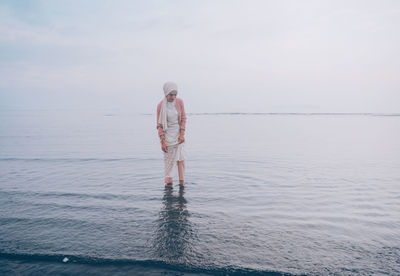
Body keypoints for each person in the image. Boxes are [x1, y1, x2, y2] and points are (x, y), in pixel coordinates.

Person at [156, 81, 187, 188]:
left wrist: (182, 134)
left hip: (179, 137)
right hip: (168, 138)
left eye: (175, 94)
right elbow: (159, 126)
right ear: (166, 93)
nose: (173, 97)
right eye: (171, 95)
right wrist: (162, 142)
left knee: (180, 160)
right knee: (169, 164)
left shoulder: (180, 102)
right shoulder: (160, 105)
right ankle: (168, 185)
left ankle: (182, 184)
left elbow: (183, 119)